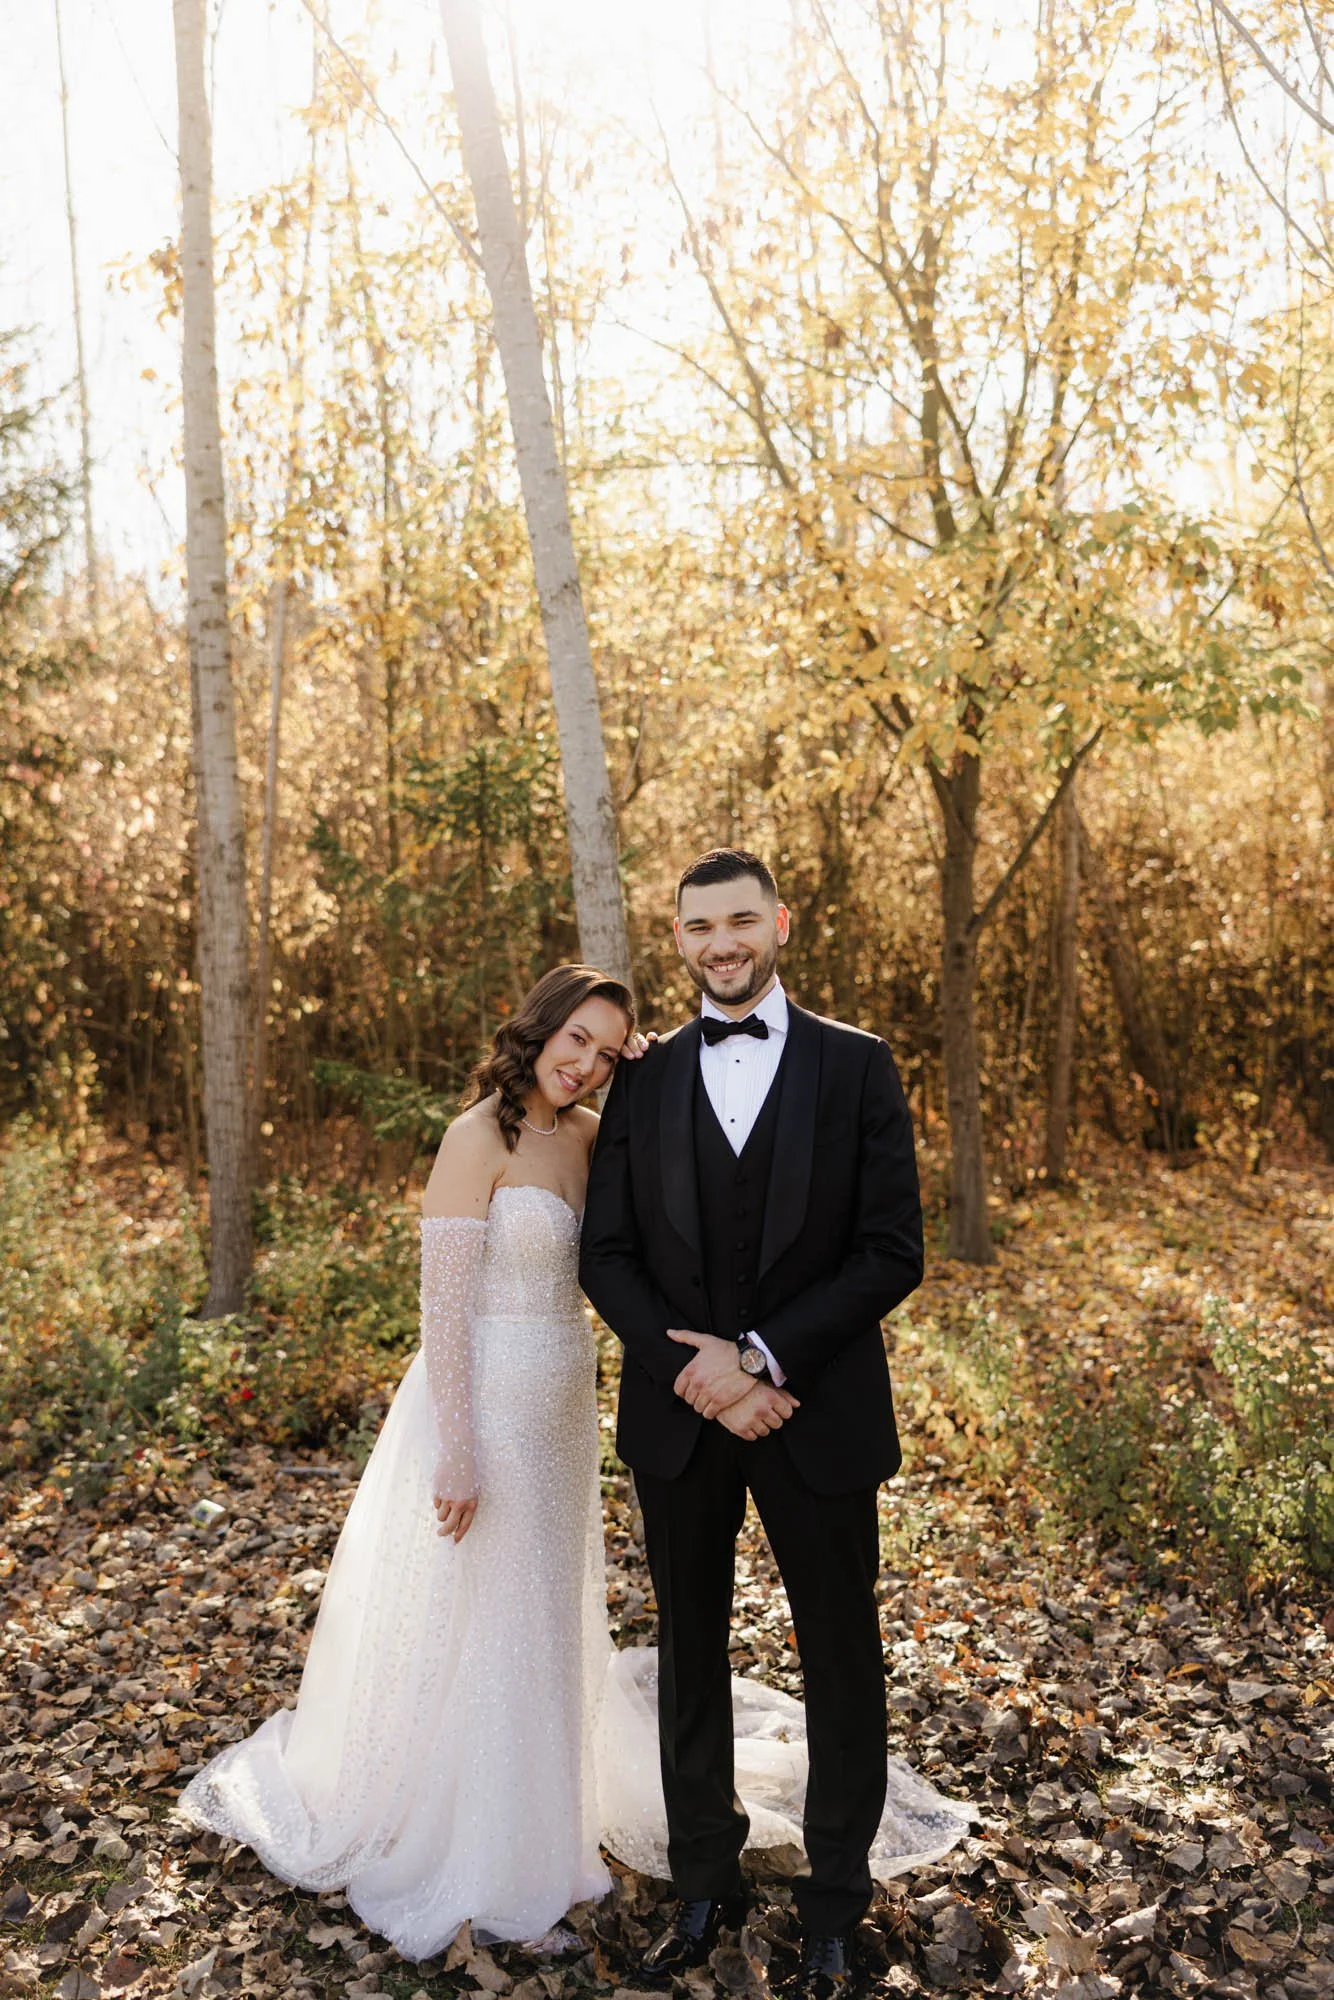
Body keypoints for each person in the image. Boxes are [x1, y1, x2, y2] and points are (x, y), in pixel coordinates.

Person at [179, 964, 639, 1959]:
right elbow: (444, 1307)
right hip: (484, 1404)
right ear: (540, 1026)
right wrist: (460, 1449)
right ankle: (477, 1847)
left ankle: (543, 1824)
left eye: (607, 1052)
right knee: (486, 1617)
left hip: (564, 1405)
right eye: (577, 1039)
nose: (585, 1063)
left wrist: (650, 1067)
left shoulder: (593, 1134)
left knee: (541, 1612)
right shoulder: (475, 1137)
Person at [581, 849, 940, 2000]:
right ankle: (703, 1881)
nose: (721, 942)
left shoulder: (856, 1063)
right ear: (677, 939)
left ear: (779, 922)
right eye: (699, 925)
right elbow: (606, 1251)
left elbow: (890, 1247)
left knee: (839, 1655)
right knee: (687, 1653)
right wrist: (698, 1370)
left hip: (814, 1405)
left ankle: (834, 1898)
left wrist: (763, 1358)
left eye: (739, 919)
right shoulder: (640, 1077)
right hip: (679, 1413)